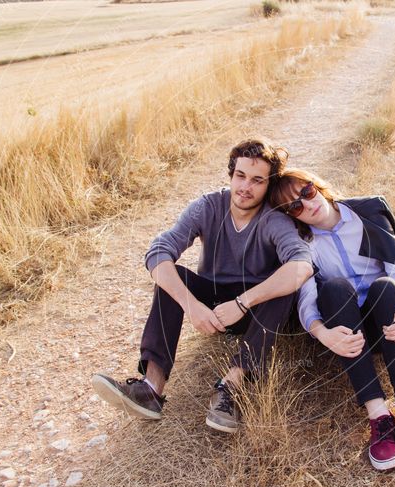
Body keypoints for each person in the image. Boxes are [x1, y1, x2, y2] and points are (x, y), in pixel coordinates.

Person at [92, 138, 313, 433]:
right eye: (241, 176)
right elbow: (158, 252)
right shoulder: (208, 206)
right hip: (213, 303)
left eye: (257, 180)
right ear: (231, 174)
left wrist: (242, 303)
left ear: (268, 186)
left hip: (256, 312)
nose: (246, 187)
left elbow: (301, 265)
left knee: (287, 286)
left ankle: (232, 387)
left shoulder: (273, 219)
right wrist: (191, 305)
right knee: (175, 276)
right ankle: (151, 388)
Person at [269, 169, 395, 473]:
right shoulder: (303, 245)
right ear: (292, 217)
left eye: (306, 192)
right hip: (346, 328)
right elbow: (306, 300)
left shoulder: (367, 213)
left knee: (385, 285)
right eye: (294, 206)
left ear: (317, 186)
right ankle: (378, 415)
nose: (306, 204)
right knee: (332, 288)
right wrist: (320, 333)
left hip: (387, 321)